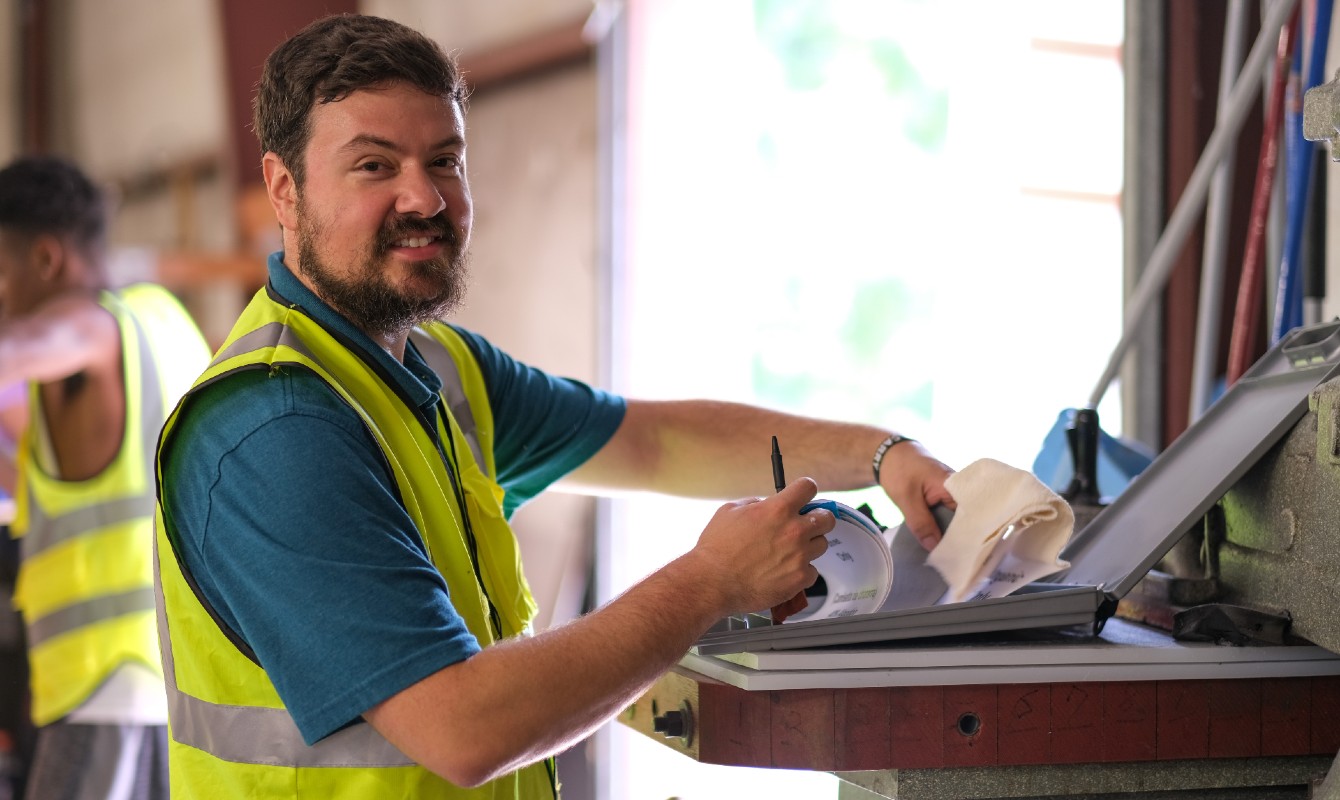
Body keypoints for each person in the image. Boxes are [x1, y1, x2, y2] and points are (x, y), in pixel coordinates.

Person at [154, 13, 956, 798]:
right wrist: (710, 582)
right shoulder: (274, 428)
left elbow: (656, 443)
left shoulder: (438, 366)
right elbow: (464, 730)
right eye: (374, 166)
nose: (424, 199)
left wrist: (884, 456)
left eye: (445, 160)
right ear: (284, 190)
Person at [0, 155, 211, 800]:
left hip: (111, 689)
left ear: (45, 260)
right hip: (186, 686)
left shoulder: (93, 327)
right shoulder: (169, 332)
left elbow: (26, 344)